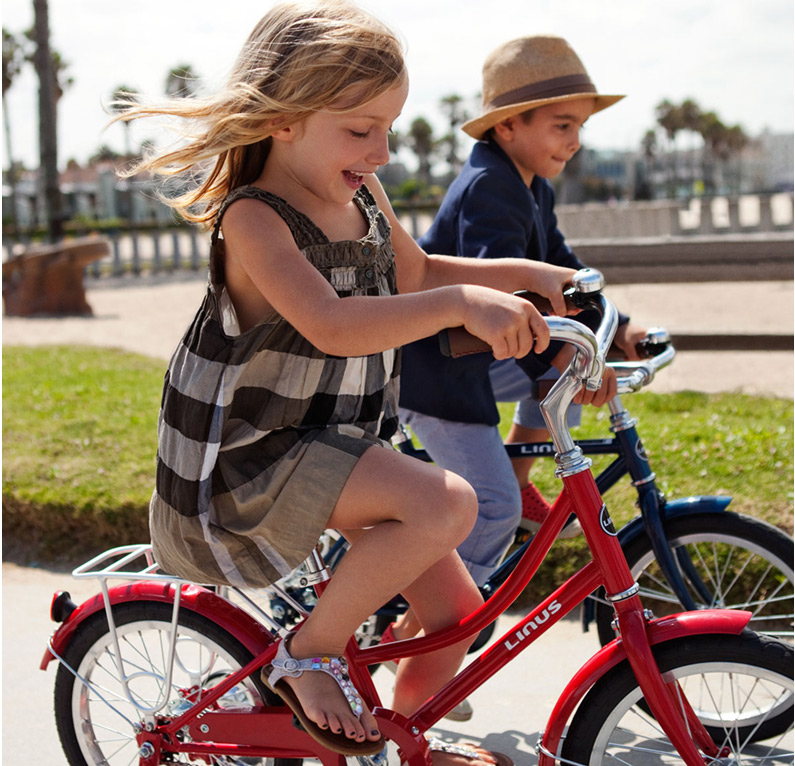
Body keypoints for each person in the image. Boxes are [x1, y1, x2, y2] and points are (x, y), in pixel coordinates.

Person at [119, 3, 588, 761]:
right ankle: (304, 653)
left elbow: (423, 272)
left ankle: (411, 744)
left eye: (389, 127)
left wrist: (539, 275)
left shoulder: (361, 197)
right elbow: (331, 324)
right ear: (284, 120)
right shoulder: (254, 219)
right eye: (360, 128)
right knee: (449, 501)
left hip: (332, 442)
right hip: (255, 456)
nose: (382, 150)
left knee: (454, 618)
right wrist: (461, 304)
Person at [399, 35, 647, 593]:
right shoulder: (489, 188)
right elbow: (509, 297)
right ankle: (429, 624)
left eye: (581, 126)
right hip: (433, 370)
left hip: (475, 353)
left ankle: (518, 469)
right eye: (563, 125)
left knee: (576, 360)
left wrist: (621, 325)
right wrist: (567, 356)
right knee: (490, 509)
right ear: (507, 127)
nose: (577, 141)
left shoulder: (530, 186)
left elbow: (561, 266)